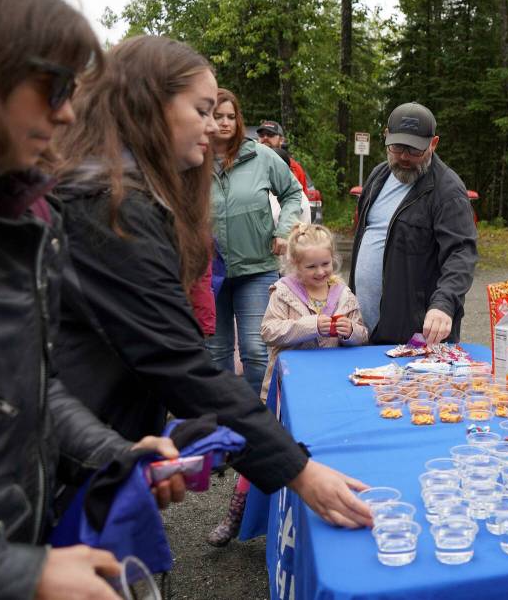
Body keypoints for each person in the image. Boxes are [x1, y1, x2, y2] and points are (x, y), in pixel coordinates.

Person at [49, 35, 373, 535]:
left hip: (100, 437)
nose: (212, 126)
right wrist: (299, 471)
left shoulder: (127, 192)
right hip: (73, 462)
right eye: (201, 110)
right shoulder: (114, 207)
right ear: (149, 105)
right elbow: (176, 360)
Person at [0, 0, 185, 600]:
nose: (70, 113)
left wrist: (116, 452)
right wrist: (22, 574)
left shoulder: (25, 222)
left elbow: (34, 394)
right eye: (53, 86)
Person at [207, 222, 367, 546]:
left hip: (327, 391)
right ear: (295, 265)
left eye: (325, 264)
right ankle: (237, 511)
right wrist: (310, 326)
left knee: (318, 450)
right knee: (265, 445)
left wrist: (351, 333)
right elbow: (269, 331)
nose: (320, 272)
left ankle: (310, 519)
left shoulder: (343, 294)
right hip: (284, 390)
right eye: (311, 266)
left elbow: (363, 334)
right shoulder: (283, 292)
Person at [349, 102, 478, 345]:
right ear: (386, 137)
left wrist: (444, 303)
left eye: (415, 149)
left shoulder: (447, 191)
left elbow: (461, 254)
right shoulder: (378, 176)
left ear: (434, 143)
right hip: (363, 329)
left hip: (414, 338)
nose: (405, 157)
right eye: (397, 147)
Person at [207, 92, 303, 395]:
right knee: (215, 352)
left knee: (255, 350)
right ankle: (223, 419)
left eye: (230, 116)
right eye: (217, 115)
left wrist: (283, 230)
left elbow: (292, 192)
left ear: (238, 121)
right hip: (208, 272)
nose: (224, 122)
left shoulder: (260, 156)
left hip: (256, 268)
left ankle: (259, 418)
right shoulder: (193, 156)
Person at [257, 119, 308, 192]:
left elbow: (302, 199)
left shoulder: (294, 168)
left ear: (281, 140)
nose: (265, 137)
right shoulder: (250, 165)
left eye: (270, 134)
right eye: (261, 135)